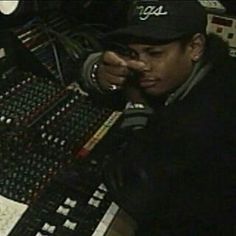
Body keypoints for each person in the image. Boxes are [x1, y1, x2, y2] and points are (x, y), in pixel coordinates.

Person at [79, 0, 235, 235]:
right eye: (133, 53)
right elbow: (91, 65)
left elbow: (134, 187)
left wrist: (137, 106)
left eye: (154, 53)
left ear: (195, 47)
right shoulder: (198, 69)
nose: (141, 65)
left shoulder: (213, 113)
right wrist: (97, 72)